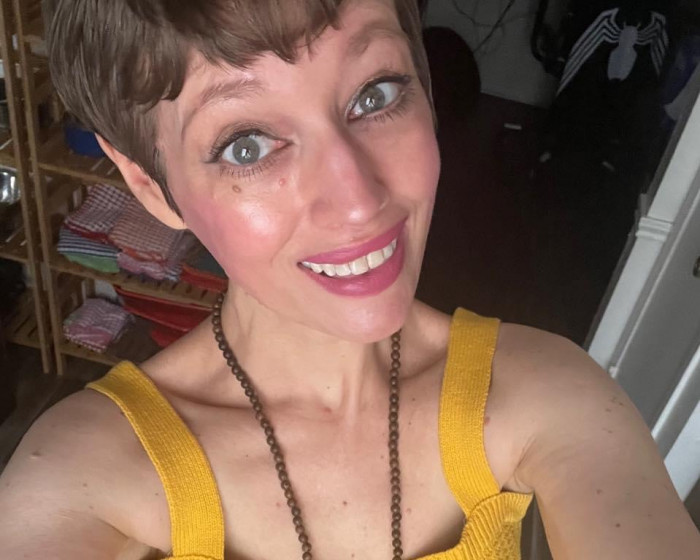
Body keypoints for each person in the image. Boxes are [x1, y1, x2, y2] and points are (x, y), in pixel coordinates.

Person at [1, 1, 699, 558]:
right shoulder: (85, 472)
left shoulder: (548, 392)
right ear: (149, 184)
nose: (359, 200)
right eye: (247, 145)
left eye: (376, 93)